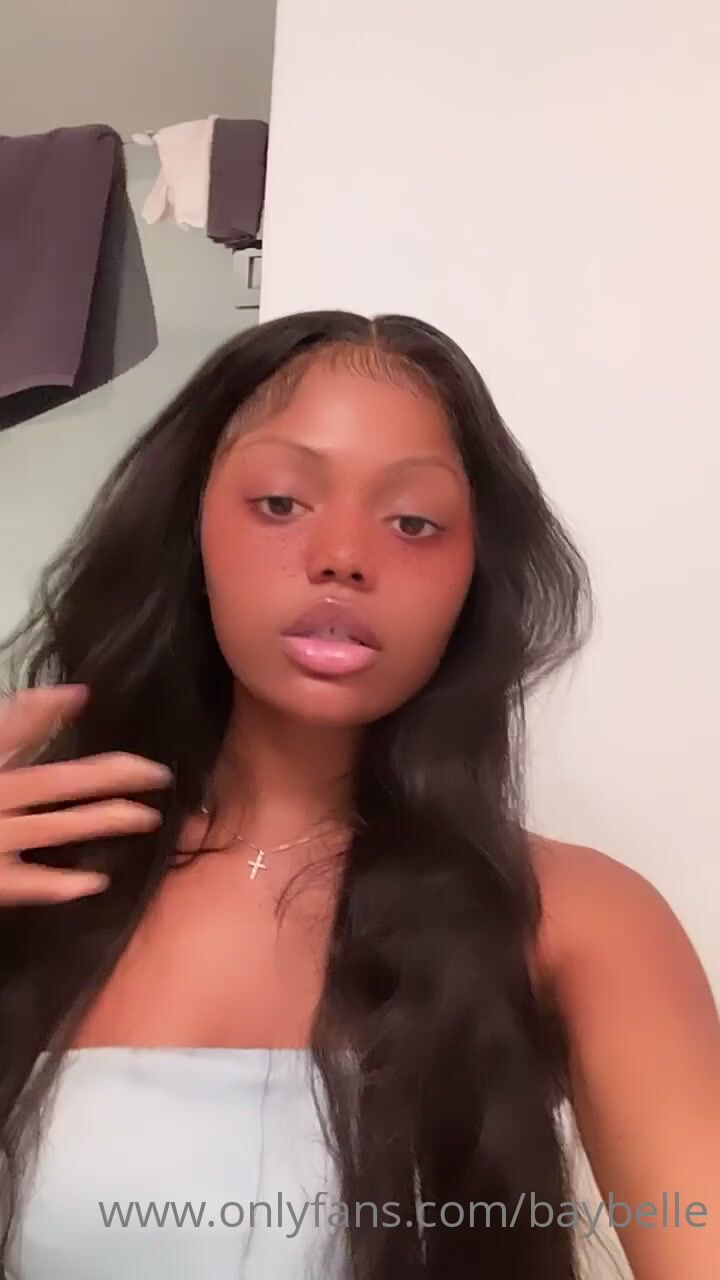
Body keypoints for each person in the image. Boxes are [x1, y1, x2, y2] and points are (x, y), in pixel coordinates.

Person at [0, 311, 716, 1280]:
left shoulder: (579, 918)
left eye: (414, 521)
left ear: (474, 576)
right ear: (190, 529)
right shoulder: (35, 877)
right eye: (281, 502)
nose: (343, 554)